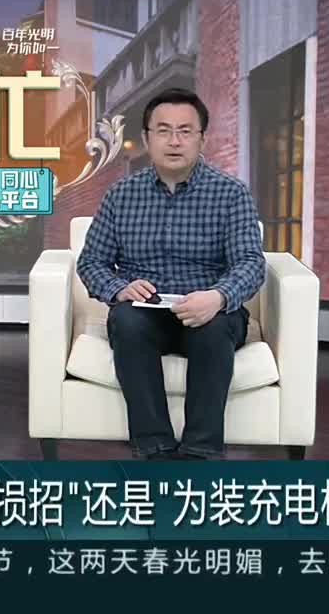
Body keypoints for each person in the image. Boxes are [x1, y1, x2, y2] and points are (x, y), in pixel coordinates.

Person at [76, 88, 266, 461]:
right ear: (147, 138)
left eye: (185, 131)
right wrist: (120, 289)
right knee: (127, 321)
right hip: (146, 314)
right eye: (163, 131)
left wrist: (219, 296)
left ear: (202, 139)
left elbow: (250, 262)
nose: (174, 141)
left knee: (214, 329)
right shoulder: (121, 195)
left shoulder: (231, 194)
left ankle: (201, 452)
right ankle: (154, 448)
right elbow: (91, 262)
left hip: (210, 309)